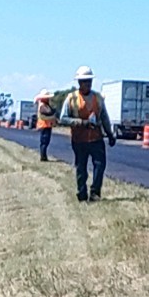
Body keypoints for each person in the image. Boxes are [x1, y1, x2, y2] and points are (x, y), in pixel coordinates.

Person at [60, 66, 116, 202]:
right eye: (84, 81)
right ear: (79, 83)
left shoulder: (98, 98)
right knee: (81, 167)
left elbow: (104, 117)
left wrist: (110, 134)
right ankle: (82, 193)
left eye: (89, 81)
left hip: (96, 139)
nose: (87, 84)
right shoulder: (71, 98)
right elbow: (63, 118)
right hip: (79, 140)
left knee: (100, 165)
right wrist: (81, 122)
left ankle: (95, 193)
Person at [35, 90, 57, 161]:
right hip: (44, 126)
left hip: (46, 125)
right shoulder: (42, 105)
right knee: (44, 142)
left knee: (45, 142)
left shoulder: (45, 104)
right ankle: (43, 157)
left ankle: (44, 156)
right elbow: (48, 112)